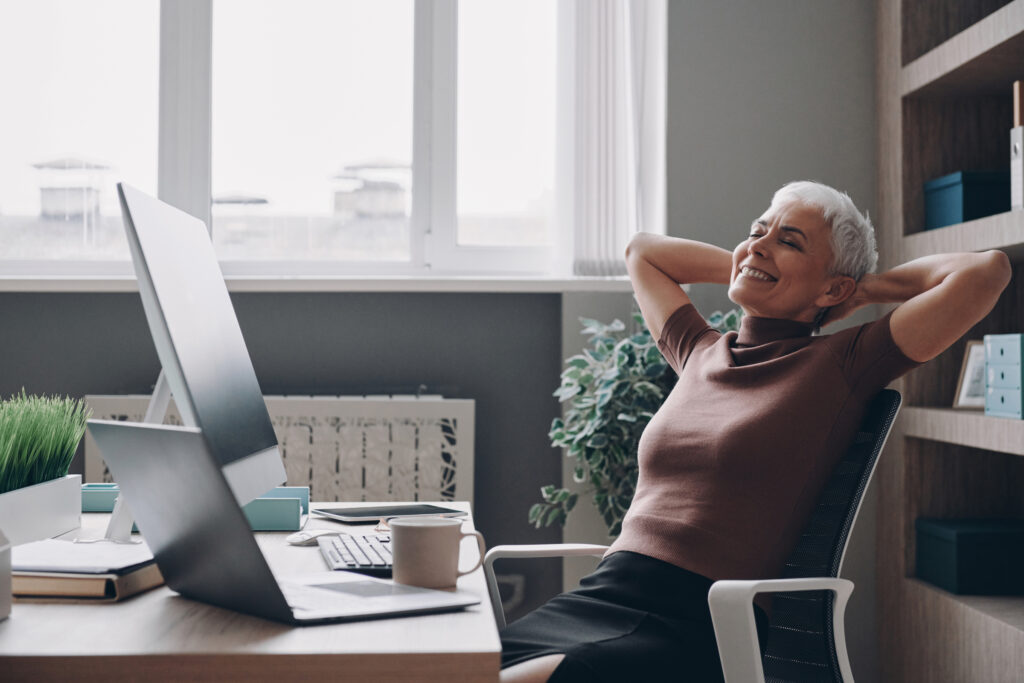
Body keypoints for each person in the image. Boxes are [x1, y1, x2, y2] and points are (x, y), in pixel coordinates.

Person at [499, 181, 1012, 683]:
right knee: (445, 667)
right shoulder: (698, 351)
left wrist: (862, 289)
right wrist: (752, 259)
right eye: (757, 230)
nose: (761, 243)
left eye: (790, 241)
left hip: (695, 624)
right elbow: (643, 251)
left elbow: (988, 270)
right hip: (599, 596)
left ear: (833, 288)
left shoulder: (842, 364)